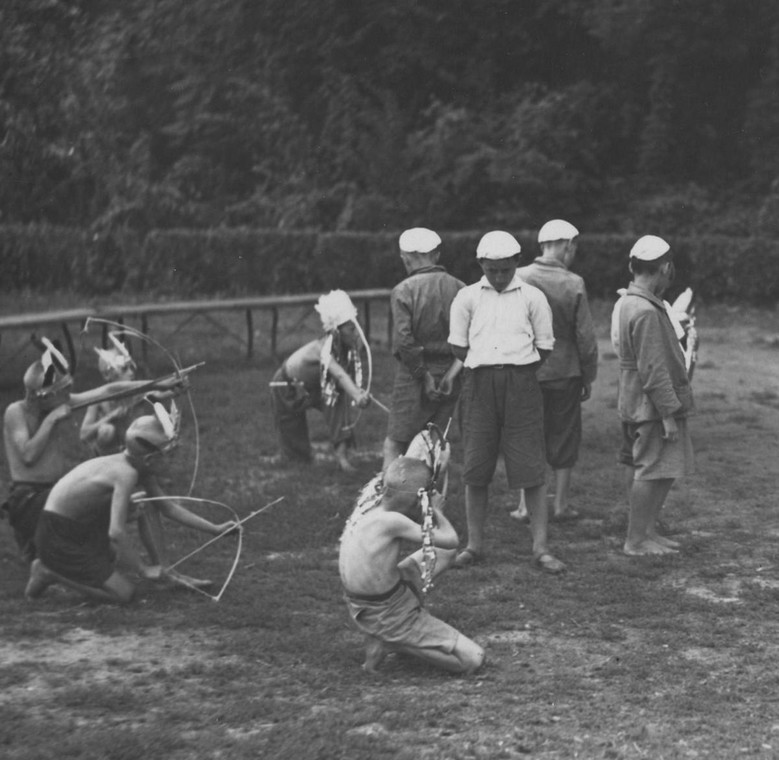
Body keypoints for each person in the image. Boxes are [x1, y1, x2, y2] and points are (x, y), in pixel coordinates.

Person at [25, 404, 238, 603]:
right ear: (149, 460)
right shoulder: (125, 473)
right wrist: (143, 569)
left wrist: (215, 529)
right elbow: (115, 532)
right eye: (168, 456)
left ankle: (167, 573)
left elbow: (168, 507)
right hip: (59, 535)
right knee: (124, 594)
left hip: (81, 526)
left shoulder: (138, 465)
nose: (171, 461)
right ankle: (47, 571)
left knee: (145, 502)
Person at [2, 338, 186, 563]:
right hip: (29, 498)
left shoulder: (57, 402)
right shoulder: (15, 412)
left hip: (53, 491)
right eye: (61, 392)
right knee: (111, 510)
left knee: (120, 511)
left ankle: (48, 545)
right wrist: (50, 420)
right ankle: (40, 543)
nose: (67, 397)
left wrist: (157, 384)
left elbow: (109, 390)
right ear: (41, 396)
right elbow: (28, 455)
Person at [448, 231, 565, 574]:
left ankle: (541, 547)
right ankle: (474, 545)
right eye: (492, 270)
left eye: (505, 270)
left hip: (522, 385)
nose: (499, 277)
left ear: (517, 263)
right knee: (475, 466)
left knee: (530, 465)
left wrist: (516, 370)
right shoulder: (466, 298)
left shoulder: (533, 297)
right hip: (479, 386)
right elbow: (458, 346)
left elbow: (544, 346)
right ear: (481, 264)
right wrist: (488, 364)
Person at [339, 455, 484, 675]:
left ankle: (394, 632)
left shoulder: (373, 498)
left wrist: (437, 458)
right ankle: (392, 641)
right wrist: (437, 510)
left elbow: (404, 470)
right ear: (419, 499)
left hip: (368, 601)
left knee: (444, 554)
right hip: (385, 612)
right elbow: (451, 539)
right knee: (474, 659)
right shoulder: (393, 521)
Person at [511, 219, 598, 522]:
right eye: (573, 248)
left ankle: (524, 506)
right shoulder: (574, 283)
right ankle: (560, 504)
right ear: (566, 246)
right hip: (565, 371)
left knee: (525, 436)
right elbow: (585, 338)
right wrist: (589, 375)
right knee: (563, 437)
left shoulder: (518, 277)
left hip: (525, 370)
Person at [616, 235, 695, 556]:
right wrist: (667, 414)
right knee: (651, 469)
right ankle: (635, 541)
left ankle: (647, 532)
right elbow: (652, 368)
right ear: (664, 267)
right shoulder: (645, 310)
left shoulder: (634, 301)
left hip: (643, 400)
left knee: (663, 468)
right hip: (651, 406)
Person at [382, 227, 465, 471]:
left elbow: (405, 342)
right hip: (451, 372)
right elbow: (469, 340)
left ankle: (389, 502)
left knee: (396, 443)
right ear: (436, 255)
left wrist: (424, 376)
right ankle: (428, 500)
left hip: (413, 375)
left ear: (404, 257)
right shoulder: (460, 288)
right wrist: (450, 374)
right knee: (435, 443)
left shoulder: (404, 290)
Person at [270, 289, 371, 473]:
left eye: (356, 327)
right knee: (294, 443)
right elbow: (339, 374)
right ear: (337, 331)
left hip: (312, 385)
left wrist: (357, 392)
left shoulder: (342, 349)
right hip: (286, 384)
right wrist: (357, 394)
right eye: (351, 329)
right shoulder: (324, 349)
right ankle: (296, 460)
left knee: (338, 404)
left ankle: (341, 457)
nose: (356, 333)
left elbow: (344, 377)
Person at [80, 333, 139, 455]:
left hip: (128, 444)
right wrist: (110, 416)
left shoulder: (134, 392)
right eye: (124, 369)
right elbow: (83, 434)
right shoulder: (99, 397)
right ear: (108, 375)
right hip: (107, 446)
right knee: (107, 431)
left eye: (130, 368)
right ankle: (100, 460)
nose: (131, 373)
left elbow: (156, 393)